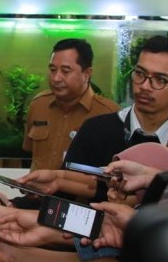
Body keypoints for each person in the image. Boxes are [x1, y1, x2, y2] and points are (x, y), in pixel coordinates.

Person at [22, 36, 168, 201]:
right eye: (140, 74)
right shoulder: (97, 129)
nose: (144, 86)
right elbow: (65, 195)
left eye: (160, 80)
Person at [23, 39, 119, 171]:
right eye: (52, 69)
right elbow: (28, 152)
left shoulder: (108, 114)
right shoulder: (39, 105)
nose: (56, 78)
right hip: (35, 191)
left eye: (65, 71)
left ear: (87, 74)